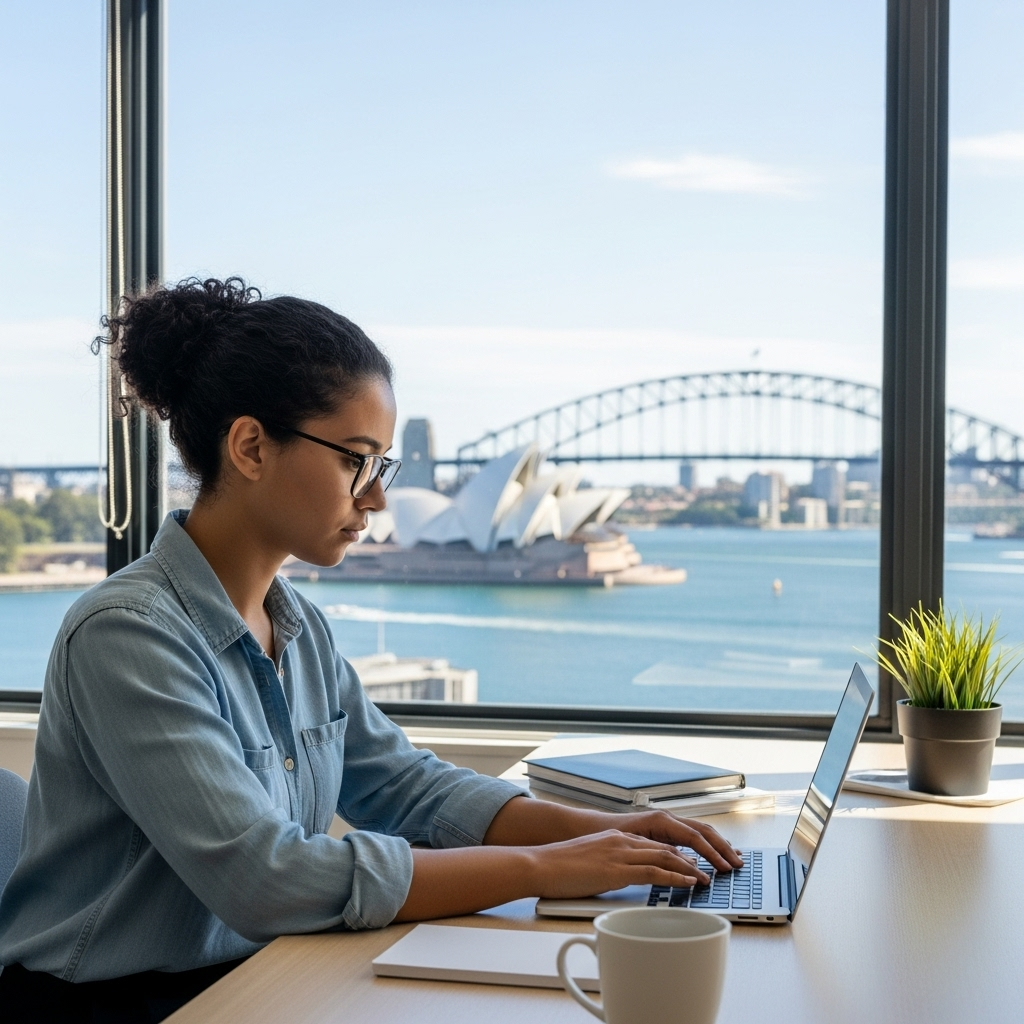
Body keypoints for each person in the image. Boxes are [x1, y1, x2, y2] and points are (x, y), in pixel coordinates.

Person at [0, 278, 742, 1022]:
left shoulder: (299, 630)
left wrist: (609, 832)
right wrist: (543, 868)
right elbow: (267, 880)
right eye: (357, 459)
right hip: (109, 1003)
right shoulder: (129, 634)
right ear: (251, 446)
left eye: (382, 466)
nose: (378, 498)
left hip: (263, 977)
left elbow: (407, 789)